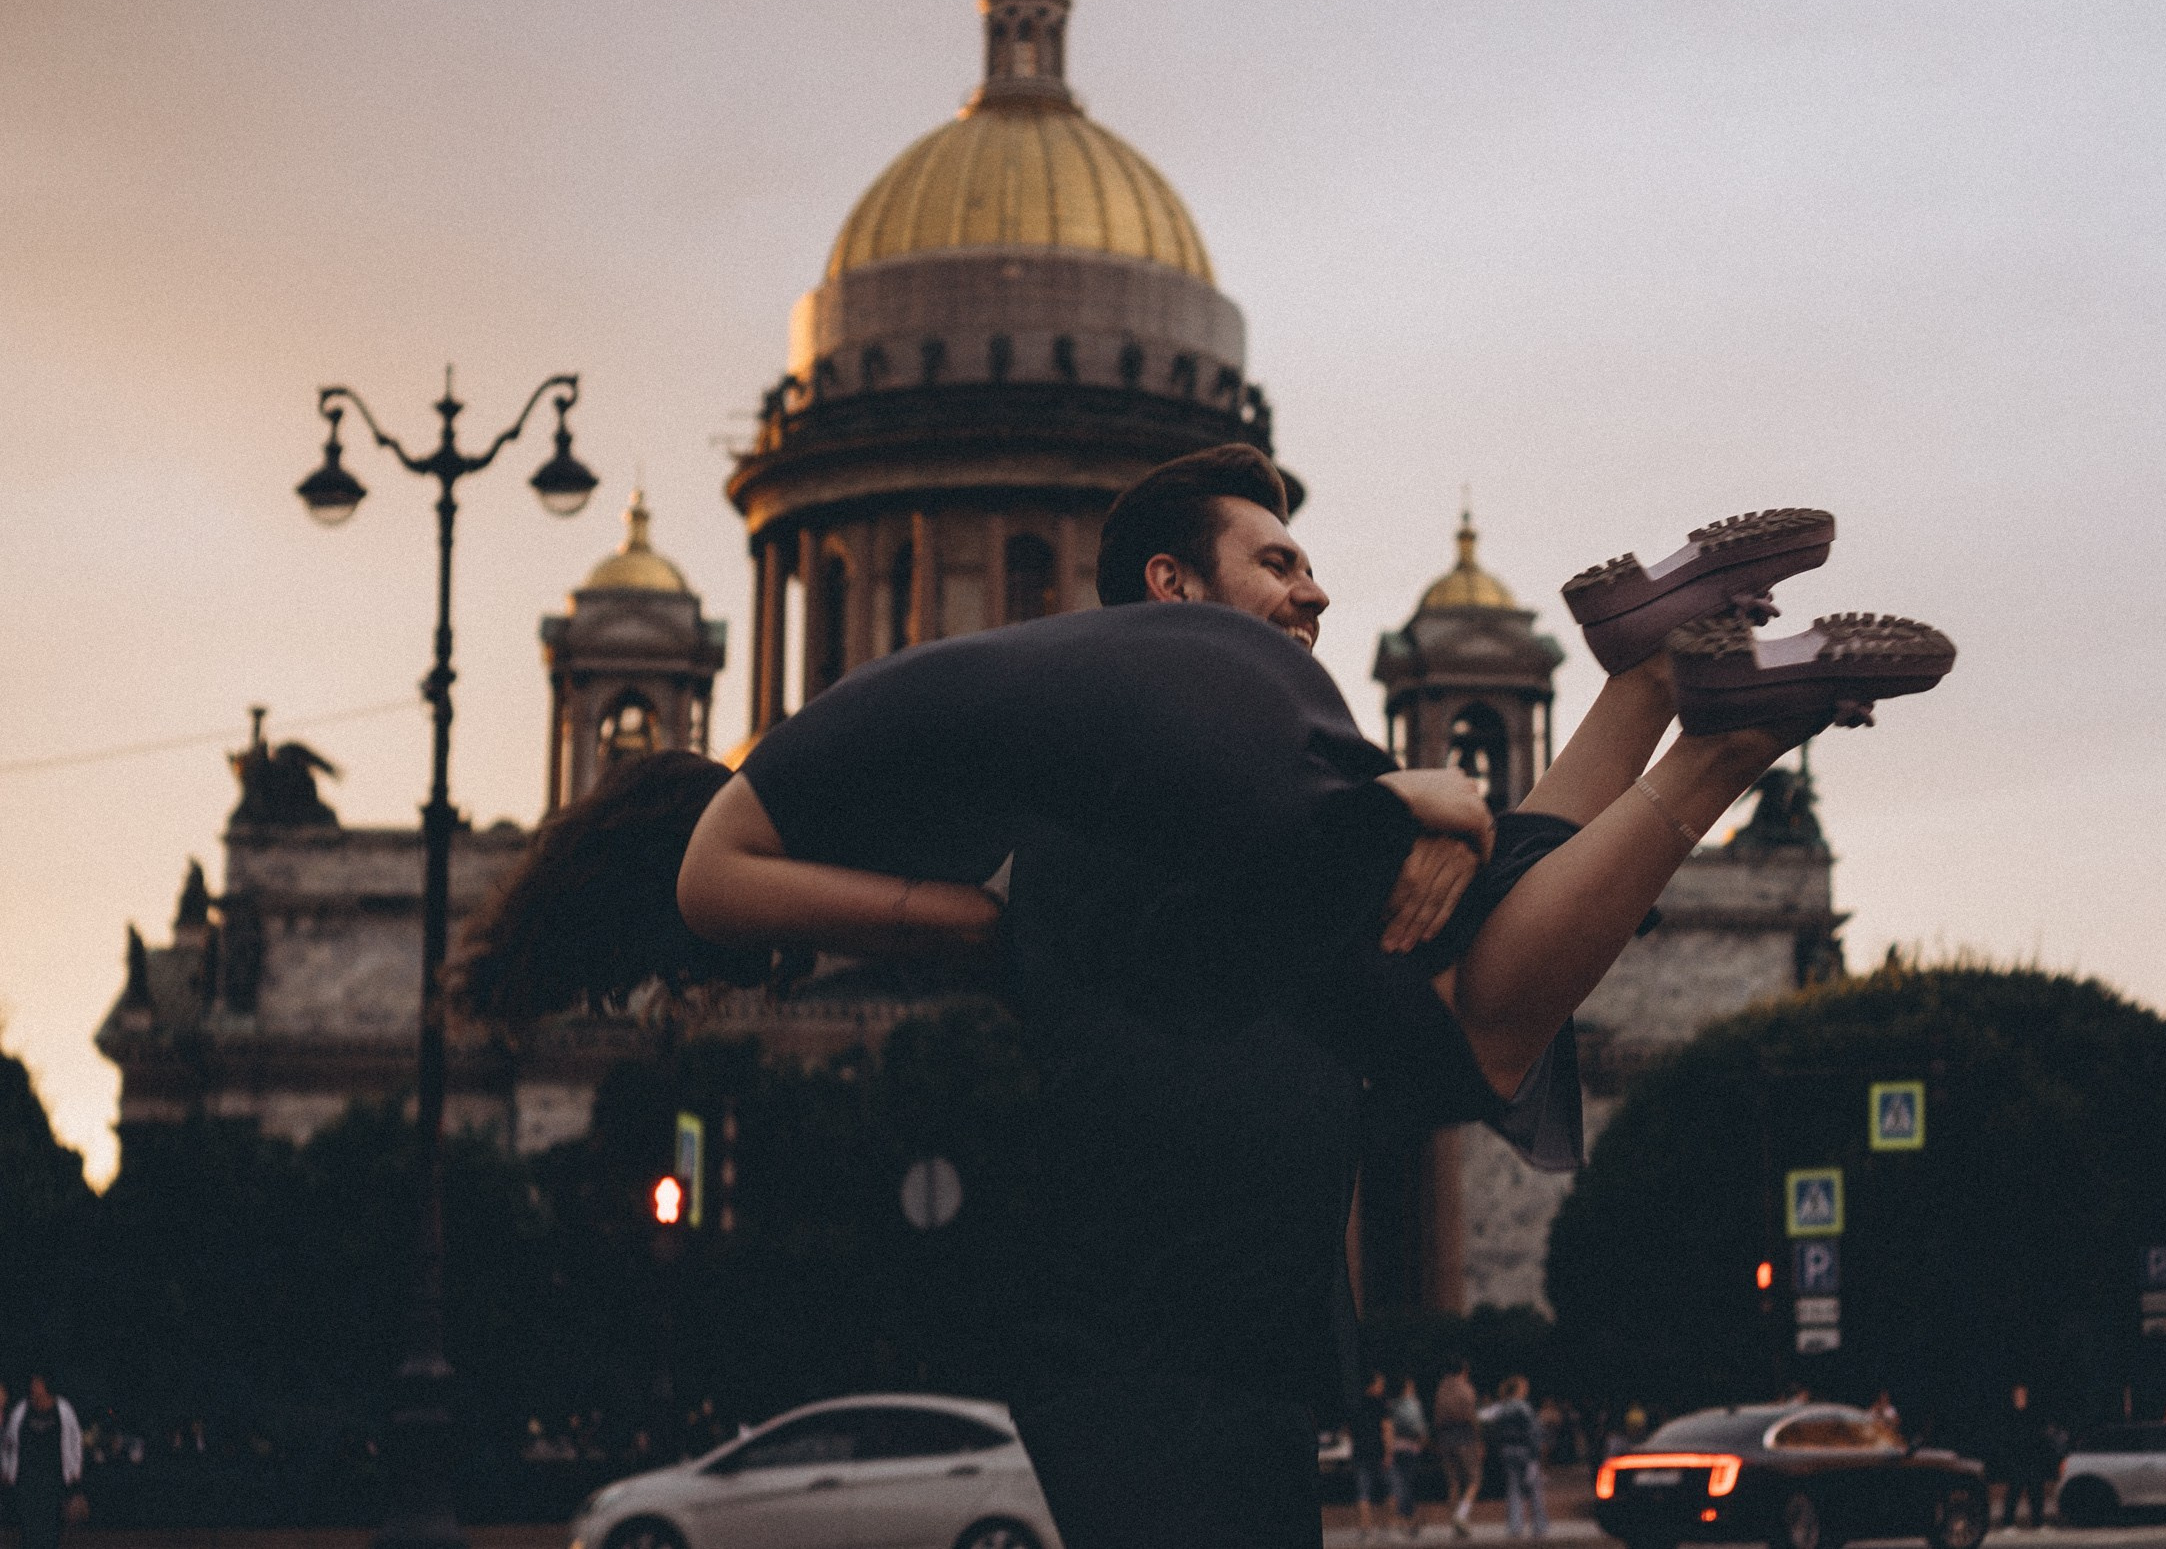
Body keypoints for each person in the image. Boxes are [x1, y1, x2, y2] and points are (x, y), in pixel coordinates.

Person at [474, 446, 1952, 1548]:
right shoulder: (1148, 732)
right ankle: (1668, 704)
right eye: (1278, 558)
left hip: (1164, 1333)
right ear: (1174, 582)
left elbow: (723, 884)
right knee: (1469, 1026)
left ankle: (1683, 719)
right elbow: (722, 878)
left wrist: (979, 932)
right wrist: (1416, 803)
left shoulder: (1056, 768)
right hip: (1183, 1321)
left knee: (1475, 1009)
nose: (1312, 586)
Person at [3, 1372, 85, 1549]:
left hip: (53, 1478)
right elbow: (9, 1442)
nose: (34, 1387)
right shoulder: (22, 1409)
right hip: (28, 1479)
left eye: (38, 1383)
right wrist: (7, 1469)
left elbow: (75, 1439)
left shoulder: (61, 1408)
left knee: (51, 1525)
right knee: (29, 1525)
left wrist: (75, 1470)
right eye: (33, 1383)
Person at [1480, 1375, 1547, 1539]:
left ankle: (1515, 1526)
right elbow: (1533, 1433)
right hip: (1525, 1452)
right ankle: (1539, 1526)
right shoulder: (1524, 1408)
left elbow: (1483, 1418)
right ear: (1519, 1390)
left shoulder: (1501, 1408)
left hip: (1507, 1452)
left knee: (1513, 1489)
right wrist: (1536, 1454)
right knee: (1533, 1490)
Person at [1991, 1384, 2060, 1529]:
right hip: (2016, 1459)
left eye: (2024, 1394)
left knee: (2036, 1490)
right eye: (2019, 1395)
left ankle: (2037, 1522)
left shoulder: (2032, 1413)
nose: (2022, 1397)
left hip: (2032, 1457)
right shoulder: (2009, 1415)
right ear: (2014, 1396)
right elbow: (2005, 1438)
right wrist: (2008, 1457)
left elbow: (2039, 1434)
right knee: (2014, 1490)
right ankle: (2008, 1523)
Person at [1432, 1366, 1484, 1536]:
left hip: (1445, 1439)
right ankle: (1461, 1516)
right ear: (1464, 1371)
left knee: (1453, 1482)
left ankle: (1456, 1526)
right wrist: (1478, 1440)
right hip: (1465, 1437)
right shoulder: (1465, 1388)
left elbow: (1436, 1417)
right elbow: (1471, 1416)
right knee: (1474, 1480)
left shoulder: (1441, 1389)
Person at [1348, 1372, 1394, 1541]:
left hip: (1360, 1453)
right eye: (1380, 1384)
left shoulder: (1356, 1405)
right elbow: (1386, 1429)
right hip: (1379, 1452)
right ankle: (1386, 1527)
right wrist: (1389, 1452)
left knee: (1363, 1492)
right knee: (1389, 1490)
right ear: (1373, 1385)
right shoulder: (1382, 1404)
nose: (1382, 1387)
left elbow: (1350, 1430)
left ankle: (1365, 1529)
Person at [1387, 1378, 1429, 1538]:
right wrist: (1424, 1438)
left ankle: (1404, 1520)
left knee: (1400, 1484)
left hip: (1396, 1447)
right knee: (1409, 1485)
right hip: (1411, 1448)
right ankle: (1411, 1521)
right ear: (1407, 1387)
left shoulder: (1391, 1404)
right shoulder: (1412, 1404)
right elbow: (1417, 1426)